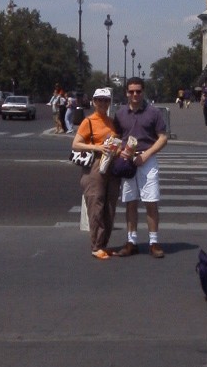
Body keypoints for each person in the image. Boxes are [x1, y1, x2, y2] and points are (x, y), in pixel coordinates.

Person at [113, 77, 168, 258]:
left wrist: (147, 154)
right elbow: (117, 137)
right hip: (128, 160)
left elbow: (162, 137)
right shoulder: (120, 114)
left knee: (151, 202)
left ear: (143, 92)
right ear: (126, 93)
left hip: (147, 159)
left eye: (138, 91)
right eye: (131, 91)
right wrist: (120, 151)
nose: (135, 94)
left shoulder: (153, 113)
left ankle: (153, 242)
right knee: (130, 202)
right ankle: (132, 241)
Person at [72, 87, 122, 260]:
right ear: (93, 102)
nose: (102, 103)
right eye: (99, 100)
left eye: (106, 100)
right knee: (96, 204)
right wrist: (97, 147)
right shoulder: (89, 121)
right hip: (94, 165)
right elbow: (76, 144)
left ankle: (104, 244)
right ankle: (96, 245)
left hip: (112, 165)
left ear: (109, 103)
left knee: (110, 205)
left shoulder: (111, 121)